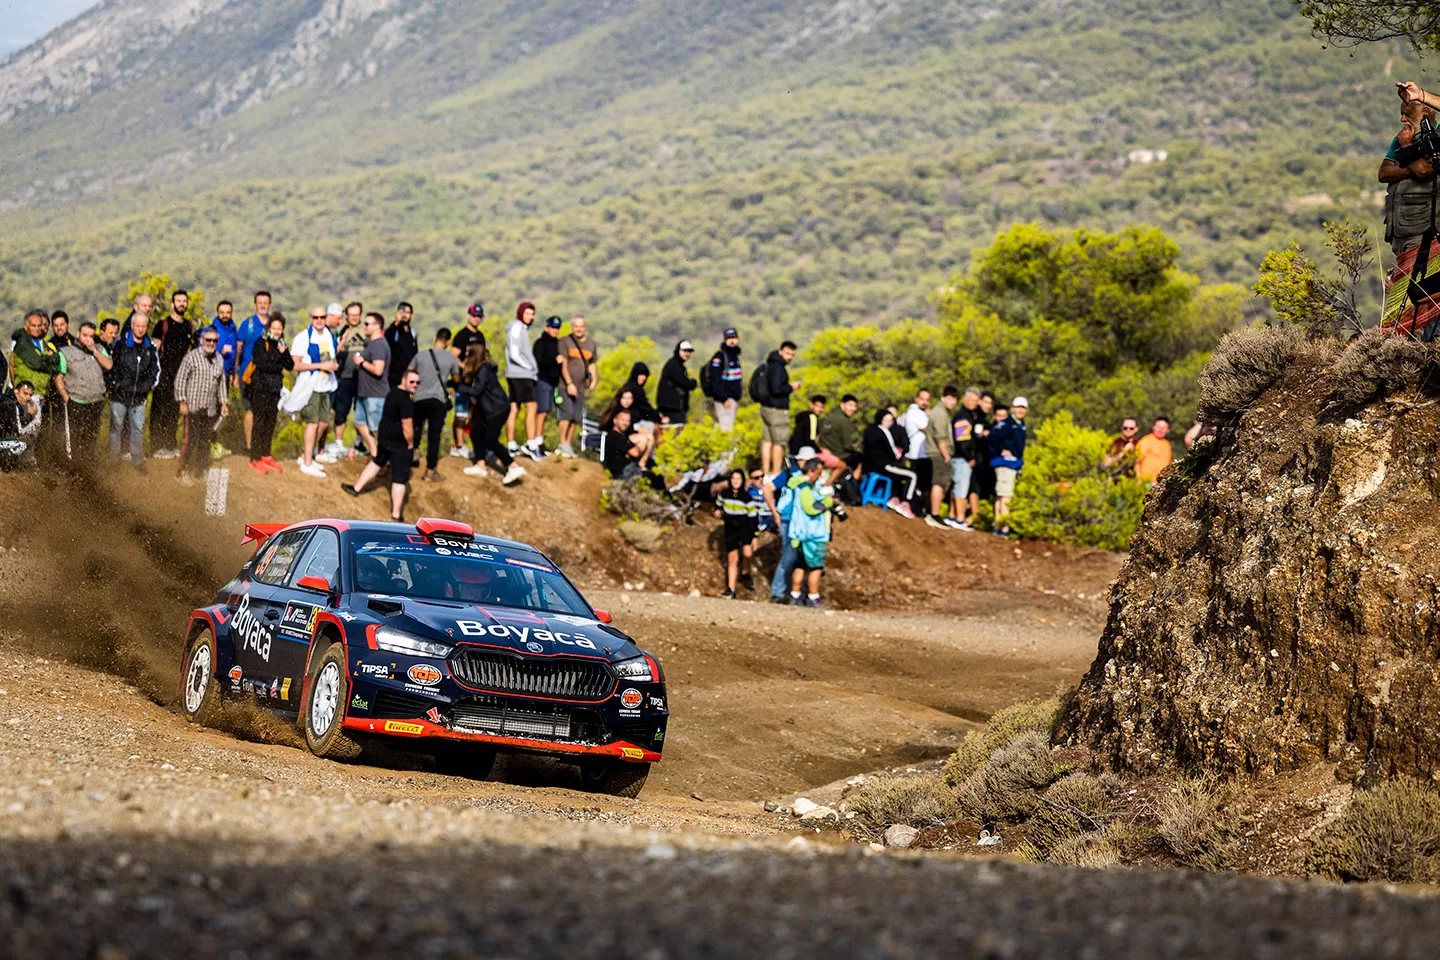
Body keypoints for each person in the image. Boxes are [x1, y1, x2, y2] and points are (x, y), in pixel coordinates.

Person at [342, 368, 420, 522]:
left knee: (377, 463)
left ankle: (356, 488)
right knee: (399, 480)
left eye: (418, 382)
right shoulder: (406, 401)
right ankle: (396, 514)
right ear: (404, 380)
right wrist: (410, 445)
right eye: (412, 381)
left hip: (385, 441)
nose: (415, 385)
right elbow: (407, 427)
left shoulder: (392, 393)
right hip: (399, 446)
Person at [456, 338, 526, 486]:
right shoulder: (479, 369)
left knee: (490, 439)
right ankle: (480, 465)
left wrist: (459, 388)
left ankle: (513, 466)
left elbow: (477, 390)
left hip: (497, 409)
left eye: (468, 353)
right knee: (475, 432)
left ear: (474, 354)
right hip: (486, 408)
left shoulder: (483, 370)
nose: (465, 356)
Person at [172, 327, 229, 485]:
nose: (211, 343)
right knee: (190, 439)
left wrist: (224, 402)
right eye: (208, 340)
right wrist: (182, 401)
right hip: (193, 406)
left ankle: (200, 471)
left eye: (214, 341)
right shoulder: (191, 358)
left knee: (205, 441)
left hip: (210, 408)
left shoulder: (219, 359)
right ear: (202, 340)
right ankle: (181, 471)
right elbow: (180, 380)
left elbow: (221, 383)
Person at [107, 302, 160, 471]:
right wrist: (116, 384)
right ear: (132, 325)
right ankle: (113, 461)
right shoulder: (120, 344)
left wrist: (146, 388)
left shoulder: (150, 348)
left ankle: (137, 462)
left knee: (137, 430)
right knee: (116, 428)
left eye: (144, 326)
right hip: (119, 395)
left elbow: (155, 371)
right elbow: (111, 366)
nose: (141, 329)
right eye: (137, 325)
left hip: (139, 398)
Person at [289, 306, 340, 478]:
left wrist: (332, 365)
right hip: (310, 386)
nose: (319, 320)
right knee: (312, 423)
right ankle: (307, 463)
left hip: (326, 384)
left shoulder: (328, 335)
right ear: (311, 318)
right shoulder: (303, 338)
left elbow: (330, 357)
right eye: (315, 317)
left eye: (322, 317)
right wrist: (320, 366)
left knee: (323, 423)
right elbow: (294, 364)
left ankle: (307, 455)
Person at [409, 327, 460, 482]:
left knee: (416, 426)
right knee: (434, 436)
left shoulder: (420, 355)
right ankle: (430, 471)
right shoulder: (451, 359)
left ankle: (414, 451)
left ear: (434, 338)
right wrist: (446, 383)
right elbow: (457, 379)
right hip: (437, 400)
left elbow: (409, 372)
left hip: (418, 398)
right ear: (448, 341)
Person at [148, 289, 194, 460]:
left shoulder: (188, 325)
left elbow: (188, 350)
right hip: (163, 374)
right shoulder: (163, 325)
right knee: (159, 411)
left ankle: (170, 445)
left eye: (184, 301)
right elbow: (154, 350)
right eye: (178, 301)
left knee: (174, 411)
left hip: (180, 376)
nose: (182, 303)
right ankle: (156, 447)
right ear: (172, 304)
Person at [786, 458, 836, 607]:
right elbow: (810, 508)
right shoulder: (805, 488)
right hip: (812, 534)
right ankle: (813, 597)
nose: (820, 476)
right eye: (818, 473)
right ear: (810, 471)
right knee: (815, 567)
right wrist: (828, 502)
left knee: (800, 565)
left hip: (800, 534)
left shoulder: (798, 485)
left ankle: (795, 596)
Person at [246, 317, 293, 474]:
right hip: (260, 387)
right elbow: (262, 364)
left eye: (279, 329)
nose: (277, 331)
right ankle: (255, 457)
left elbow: (290, 365)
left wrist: (284, 352)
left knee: (270, 422)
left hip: (274, 389)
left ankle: (266, 454)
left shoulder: (281, 344)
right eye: (274, 328)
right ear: (268, 328)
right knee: (259, 421)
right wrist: (278, 362)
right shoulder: (261, 342)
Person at [762, 446, 809, 603]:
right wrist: (776, 514)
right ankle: (778, 592)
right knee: (788, 558)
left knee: (803, 559)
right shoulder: (789, 474)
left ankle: (797, 593)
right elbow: (767, 489)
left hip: (806, 522)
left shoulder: (813, 475)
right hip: (789, 521)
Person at [57, 322, 108, 463]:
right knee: (75, 438)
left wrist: (94, 351)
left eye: (91, 336)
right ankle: (74, 468)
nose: (87, 339)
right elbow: (59, 377)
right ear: (78, 334)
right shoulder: (65, 352)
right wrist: (66, 397)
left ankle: (88, 467)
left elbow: (109, 365)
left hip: (96, 401)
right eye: (85, 335)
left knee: (91, 438)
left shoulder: (99, 349)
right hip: (76, 401)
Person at [328, 301, 366, 459]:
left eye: (357, 314)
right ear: (346, 316)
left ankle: (359, 442)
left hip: (363, 378)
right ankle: (338, 442)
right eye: (351, 315)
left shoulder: (366, 330)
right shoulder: (340, 331)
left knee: (361, 411)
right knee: (341, 410)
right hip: (344, 377)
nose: (354, 317)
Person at [861, 410, 917, 518]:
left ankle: (895, 497)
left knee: (898, 472)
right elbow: (891, 452)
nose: (889, 423)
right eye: (887, 420)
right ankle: (905, 502)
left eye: (891, 421)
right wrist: (897, 454)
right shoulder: (883, 431)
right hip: (882, 465)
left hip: (870, 464)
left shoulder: (869, 430)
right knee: (912, 475)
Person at [713, 468, 760, 598]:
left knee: (747, 553)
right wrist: (717, 511)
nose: (735, 481)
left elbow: (753, 518)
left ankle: (745, 572)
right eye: (733, 478)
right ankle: (731, 589)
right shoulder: (724, 494)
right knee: (732, 559)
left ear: (742, 480)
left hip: (745, 528)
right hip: (730, 529)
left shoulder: (746, 497)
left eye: (738, 479)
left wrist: (755, 536)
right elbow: (717, 505)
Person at [556, 315, 598, 458]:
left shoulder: (591, 344)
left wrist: (594, 380)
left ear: (585, 327)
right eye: (576, 326)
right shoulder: (565, 342)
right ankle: (561, 443)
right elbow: (564, 364)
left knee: (575, 416)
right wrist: (569, 383)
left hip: (581, 387)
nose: (579, 329)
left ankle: (567, 444)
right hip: (565, 385)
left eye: (581, 326)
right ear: (572, 327)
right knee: (566, 413)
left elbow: (592, 363)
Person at [504, 301, 542, 460]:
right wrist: (529, 368)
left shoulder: (521, 328)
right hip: (521, 374)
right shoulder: (517, 326)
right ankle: (531, 444)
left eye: (532, 314)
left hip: (516, 374)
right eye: (527, 313)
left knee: (514, 407)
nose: (530, 317)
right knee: (532, 406)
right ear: (520, 313)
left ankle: (511, 444)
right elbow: (514, 353)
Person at [236, 291, 271, 456]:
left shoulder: (274, 325)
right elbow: (238, 348)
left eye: (266, 302)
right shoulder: (247, 324)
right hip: (247, 374)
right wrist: (235, 373)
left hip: (267, 375)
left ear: (269, 304)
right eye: (260, 302)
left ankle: (262, 447)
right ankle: (249, 447)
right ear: (255, 304)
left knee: (265, 411)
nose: (263, 305)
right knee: (250, 409)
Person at [450, 302, 486, 457]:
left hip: (477, 381)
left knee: (474, 414)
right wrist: (465, 367)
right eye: (474, 316)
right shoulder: (462, 335)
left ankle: (471, 444)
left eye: (479, 316)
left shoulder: (480, 336)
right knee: (461, 413)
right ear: (468, 316)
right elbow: (452, 355)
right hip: (464, 381)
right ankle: (458, 445)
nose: (476, 319)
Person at [758, 340, 800, 475]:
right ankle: (775, 473)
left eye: (792, 355)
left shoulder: (770, 365)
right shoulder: (778, 368)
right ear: (781, 351)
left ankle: (766, 472)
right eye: (787, 354)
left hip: (766, 407)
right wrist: (790, 387)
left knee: (767, 441)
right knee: (779, 443)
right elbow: (776, 389)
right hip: (777, 409)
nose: (789, 357)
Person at [352, 312, 390, 457]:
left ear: (377, 326)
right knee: (359, 423)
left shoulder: (379, 345)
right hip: (365, 393)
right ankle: (376, 455)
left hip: (376, 395)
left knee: (377, 429)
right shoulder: (373, 344)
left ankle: (385, 459)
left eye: (367, 324)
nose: (364, 326)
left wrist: (362, 362)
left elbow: (378, 370)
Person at [988, 398, 1028, 538]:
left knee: (1002, 495)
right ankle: (1004, 528)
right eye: (1018, 407)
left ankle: (998, 525)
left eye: (1023, 408)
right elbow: (992, 437)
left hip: (1013, 464)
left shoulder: (1020, 424)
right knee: (1006, 496)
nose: (1020, 410)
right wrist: (1000, 451)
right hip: (1005, 464)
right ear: (1012, 408)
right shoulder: (1007, 424)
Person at [951, 387, 985, 529]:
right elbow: (962, 440)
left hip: (963, 456)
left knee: (958, 486)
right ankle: (959, 518)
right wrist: (970, 456)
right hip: (962, 457)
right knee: (961, 487)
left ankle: (952, 515)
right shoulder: (962, 416)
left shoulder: (972, 415)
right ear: (965, 399)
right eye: (972, 400)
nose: (975, 403)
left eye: (977, 401)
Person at [897, 388, 933, 516]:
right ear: (916, 399)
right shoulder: (917, 413)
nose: (924, 402)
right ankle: (924, 509)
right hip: (919, 454)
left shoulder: (908, 412)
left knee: (917, 482)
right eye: (922, 399)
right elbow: (929, 430)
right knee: (924, 484)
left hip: (914, 453)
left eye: (927, 400)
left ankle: (914, 506)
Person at [927, 386, 959, 529]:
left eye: (954, 399)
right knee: (939, 483)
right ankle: (934, 515)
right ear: (943, 398)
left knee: (941, 483)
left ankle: (935, 513)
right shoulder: (940, 413)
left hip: (937, 453)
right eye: (950, 399)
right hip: (938, 453)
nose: (952, 402)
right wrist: (946, 455)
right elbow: (940, 437)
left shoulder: (942, 412)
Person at [599, 387, 657, 465]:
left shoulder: (632, 411)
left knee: (649, 436)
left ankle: (642, 461)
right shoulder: (618, 412)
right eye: (624, 398)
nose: (627, 401)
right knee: (644, 439)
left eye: (630, 398)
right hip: (618, 438)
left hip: (626, 436)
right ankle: (636, 462)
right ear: (620, 398)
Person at [816, 394, 862, 484]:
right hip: (838, 455)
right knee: (861, 459)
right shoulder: (844, 421)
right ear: (842, 405)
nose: (853, 408)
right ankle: (854, 485)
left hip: (824, 451)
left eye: (855, 406)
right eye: (850, 405)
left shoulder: (827, 417)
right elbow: (847, 446)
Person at [704, 328, 743, 431]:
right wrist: (723, 398)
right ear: (725, 340)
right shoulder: (720, 356)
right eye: (729, 338)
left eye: (734, 338)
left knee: (719, 427)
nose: (732, 341)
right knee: (726, 429)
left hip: (732, 398)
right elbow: (715, 380)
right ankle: (726, 448)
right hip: (724, 399)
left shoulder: (734, 357)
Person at [533, 316, 563, 445]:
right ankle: (536, 439)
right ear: (546, 327)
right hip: (542, 380)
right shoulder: (541, 343)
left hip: (552, 382)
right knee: (542, 410)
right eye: (552, 327)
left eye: (557, 328)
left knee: (546, 410)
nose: (555, 330)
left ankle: (539, 439)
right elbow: (537, 361)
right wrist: (554, 361)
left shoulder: (557, 343)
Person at [656, 340, 697, 427]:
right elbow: (685, 384)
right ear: (678, 351)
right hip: (671, 408)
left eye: (689, 351)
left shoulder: (678, 366)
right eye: (685, 351)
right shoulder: (673, 365)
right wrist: (693, 382)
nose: (687, 354)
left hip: (674, 407)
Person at [600, 408, 649, 479]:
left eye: (628, 421)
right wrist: (642, 443)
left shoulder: (623, 437)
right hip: (622, 473)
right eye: (623, 420)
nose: (626, 423)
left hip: (627, 470)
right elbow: (635, 453)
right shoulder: (615, 436)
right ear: (615, 421)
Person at [203, 300, 239, 389]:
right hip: (211, 375)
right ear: (216, 313)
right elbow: (202, 354)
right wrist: (220, 352)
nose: (225, 315)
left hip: (226, 376)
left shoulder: (233, 331)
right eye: (222, 312)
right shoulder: (210, 331)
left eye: (228, 312)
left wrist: (232, 373)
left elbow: (233, 355)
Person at [384, 302, 418, 388]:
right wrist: (396, 323)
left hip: (409, 375)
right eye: (402, 312)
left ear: (411, 315)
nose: (404, 315)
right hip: (394, 376)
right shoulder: (394, 331)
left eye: (407, 313)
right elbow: (387, 338)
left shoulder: (412, 333)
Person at [1135, 416, 1173, 484]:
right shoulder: (1145, 440)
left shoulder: (1167, 444)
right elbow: (1136, 462)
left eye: (1163, 428)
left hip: (1161, 483)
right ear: (1153, 427)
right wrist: (1139, 479)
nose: (1160, 430)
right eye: (1158, 427)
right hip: (1146, 482)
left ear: (1168, 430)